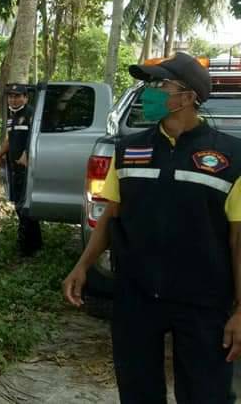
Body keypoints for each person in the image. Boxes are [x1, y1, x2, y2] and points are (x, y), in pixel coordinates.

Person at [63, 52, 241, 403]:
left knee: (206, 395)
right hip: (136, 297)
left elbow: (238, 239)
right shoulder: (129, 149)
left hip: (204, 301)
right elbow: (111, 217)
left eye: (160, 85)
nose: (149, 93)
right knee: (137, 392)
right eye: (148, 85)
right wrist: (82, 266)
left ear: (188, 98)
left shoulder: (231, 157)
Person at [0, 83, 43, 256]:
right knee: (18, 205)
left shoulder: (31, 114)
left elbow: (36, 138)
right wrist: (0, 154)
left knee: (24, 206)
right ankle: (33, 244)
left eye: (17, 96)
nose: (13, 99)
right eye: (11, 96)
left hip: (26, 168)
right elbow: (9, 138)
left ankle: (27, 248)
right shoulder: (11, 116)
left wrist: (27, 154)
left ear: (26, 98)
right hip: (14, 168)